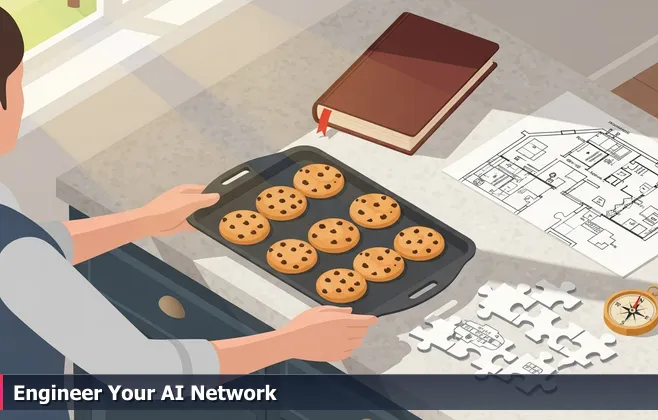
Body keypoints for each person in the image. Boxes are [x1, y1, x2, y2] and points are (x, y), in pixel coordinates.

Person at [0, 6, 376, 380]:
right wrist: (291, 342)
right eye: (19, 86)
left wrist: (142, 220)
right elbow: (133, 367)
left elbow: (32, 251)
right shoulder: (16, 253)